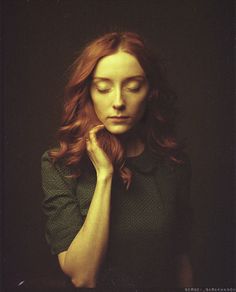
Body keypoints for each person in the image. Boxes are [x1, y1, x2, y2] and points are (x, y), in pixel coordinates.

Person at [41, 31, 193, 289]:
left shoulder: (172, 163)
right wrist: (105, 176)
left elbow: (181, 262)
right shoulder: (60, 165)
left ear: (150, 92)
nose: (119, 102)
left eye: (133, 87)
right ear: (88, 92)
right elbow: (83, 276)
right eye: (103, 88)